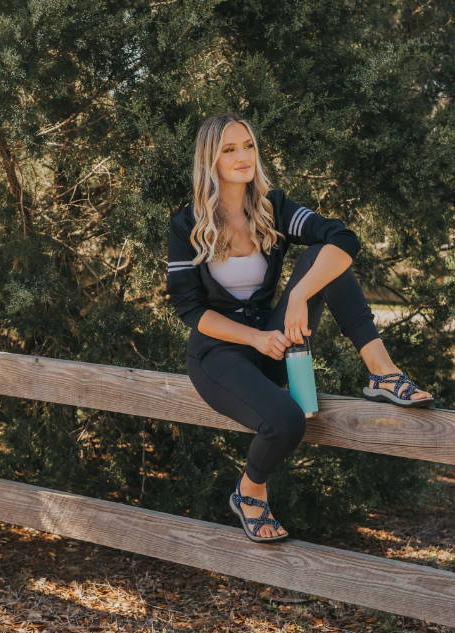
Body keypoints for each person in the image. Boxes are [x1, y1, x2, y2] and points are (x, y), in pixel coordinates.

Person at [165, 112, 433, 543]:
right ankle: (249, 492)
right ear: (209, 160)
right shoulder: (187, 225)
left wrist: (297, 296)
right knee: (287, 420)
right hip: (219, 353)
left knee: (326, 263)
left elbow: (344, 239)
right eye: (229, 149)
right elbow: (191, 311)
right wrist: (255, 337)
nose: (242, 156)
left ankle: (383, 372)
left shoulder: (273, 208)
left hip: (276, 341)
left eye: (248, 145)